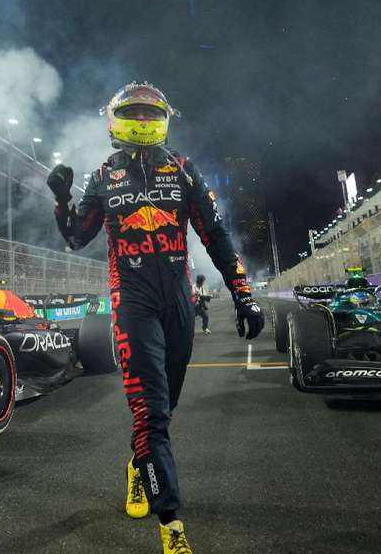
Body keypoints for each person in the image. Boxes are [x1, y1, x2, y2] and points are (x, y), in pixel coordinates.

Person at [47, 81, 264, 554]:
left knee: (164, 409)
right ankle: (172, 528)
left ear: (165, 118)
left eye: (151, 114)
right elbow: (75, 238)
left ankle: (137, 465)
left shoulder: (183, 169)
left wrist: (244, 293)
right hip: (133, 302)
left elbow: (216, 235)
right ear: (116, 118)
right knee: (151, 416)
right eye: (135, 114)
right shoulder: (103, 175)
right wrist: (62, 200)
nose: (143, 121)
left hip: (179, 304)